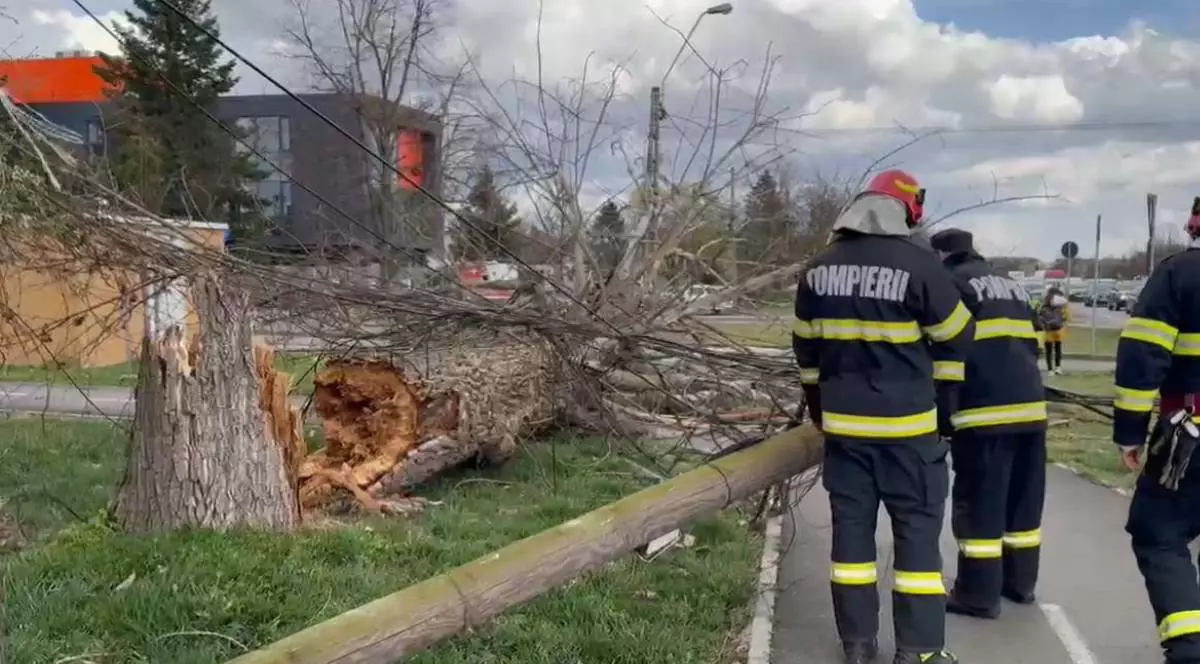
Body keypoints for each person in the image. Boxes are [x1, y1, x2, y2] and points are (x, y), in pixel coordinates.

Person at [793, 169, 974, 664]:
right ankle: (918, 651)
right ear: (906, 210)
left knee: (851, 542)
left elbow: (806, 356)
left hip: (846, 434)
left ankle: (857, 645)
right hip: (910, 434)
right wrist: (944, 404)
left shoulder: (817, 269)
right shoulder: (919, 266)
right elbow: (958, 335)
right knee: (916, 538)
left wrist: (821, 415)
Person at [929, 228, 1048, 620]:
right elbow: (1033, 343)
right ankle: (1020, 584)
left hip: (983, 412)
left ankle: (978, 596)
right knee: (1022, 506)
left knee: (981, 505)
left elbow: (948, 351)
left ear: (941, 255)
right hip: (1031, 409)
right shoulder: (1009, 283)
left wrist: (943, 417)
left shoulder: (950, 283)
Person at [1113, 196, 1200, 664]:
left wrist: (1129, 431)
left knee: (1159, 532)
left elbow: (1142, 354)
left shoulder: (1179, 273)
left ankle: (1189, 648)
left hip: (1189, 432)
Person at [1037, 286, 1070, 374]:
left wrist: (1045, 325)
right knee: (1058, 349)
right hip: (1058, 330)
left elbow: (1040, 317)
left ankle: (1050, 369)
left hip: (1048, 330)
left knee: (1049, 351)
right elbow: (1066, 317)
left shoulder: (1044, 305)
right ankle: (1058, 367)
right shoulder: (1060, 305)